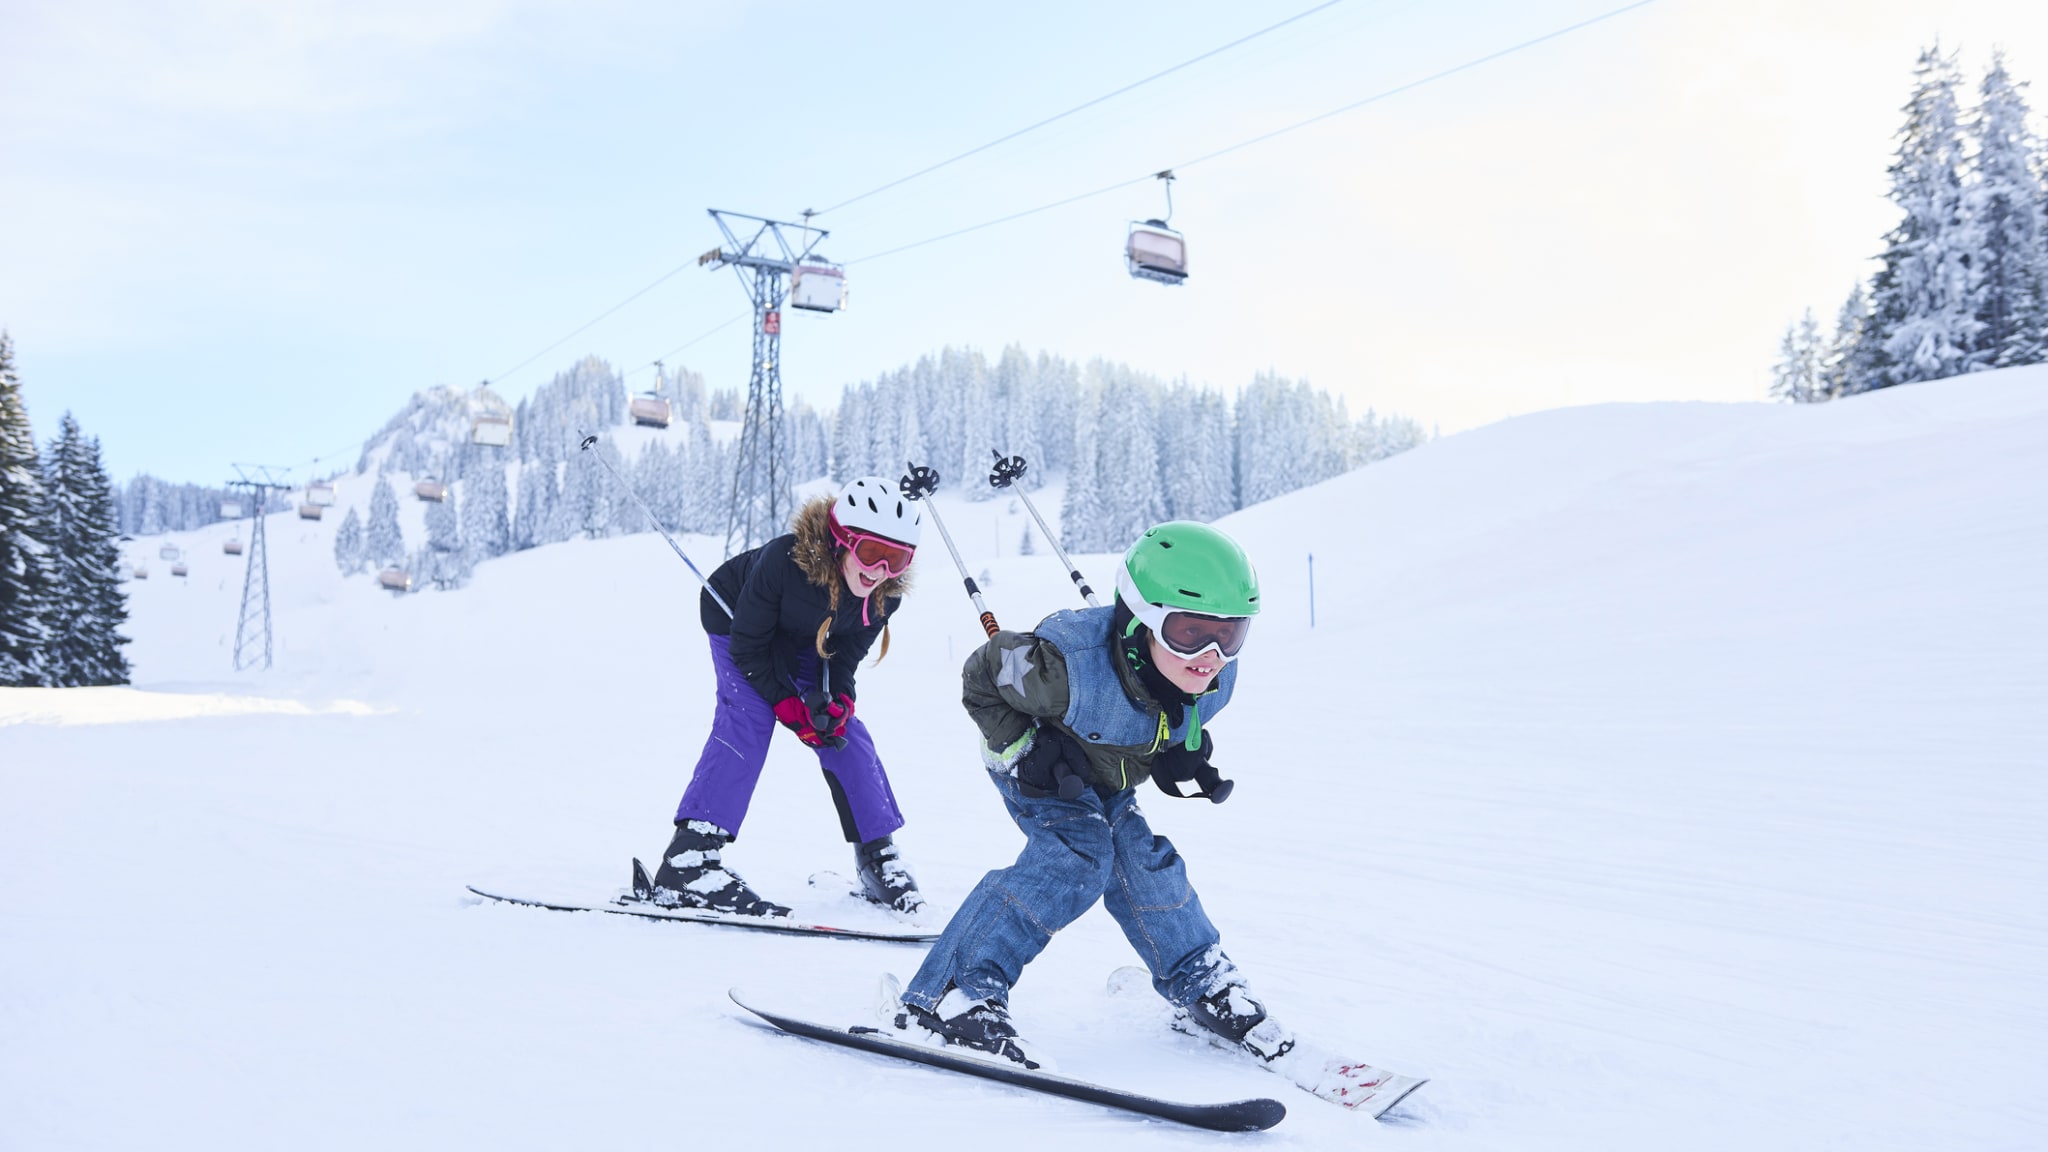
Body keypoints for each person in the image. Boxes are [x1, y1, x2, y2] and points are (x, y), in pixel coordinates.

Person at [888, 520, 1282, 1068]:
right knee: (1077, 856)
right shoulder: (1064, 669)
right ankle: (952, 993)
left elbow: (1174, 709)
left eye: (1231, 634)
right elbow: (982, 674)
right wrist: (1025, 745)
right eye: (1190, 632)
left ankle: (1201, 978)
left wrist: (1179, 743)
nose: (1211, 654)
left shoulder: (1217, 680)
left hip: (1106, 771)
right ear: (1143, 619)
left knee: (1142, 861)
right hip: (1038, 768)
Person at [647, 476, 923, 917]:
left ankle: (877, 858)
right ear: (841, 541)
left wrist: (837, 702)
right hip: (737, 621)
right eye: (871, 552)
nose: (880, 571)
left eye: (897, 558)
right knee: (750, 717)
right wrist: (788, 705)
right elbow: (750, 648)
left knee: (844, 733)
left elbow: (844, 658)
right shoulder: (785, 562)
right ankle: (690, 861)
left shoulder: (882, 597)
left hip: (803, 640)